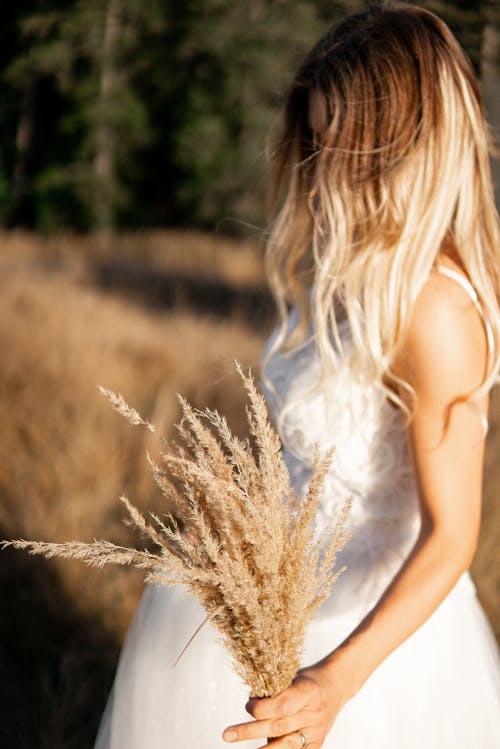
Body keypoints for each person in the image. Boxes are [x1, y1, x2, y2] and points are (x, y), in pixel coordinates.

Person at [94, 3, 500, 747]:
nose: (326, 173)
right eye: (318, 142)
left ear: (409, 147)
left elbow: (452, 536)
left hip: (367, 647)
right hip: (281, 605)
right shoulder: (355, 269)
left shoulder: (437, 309)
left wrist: (334, 680)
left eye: (347, 147)